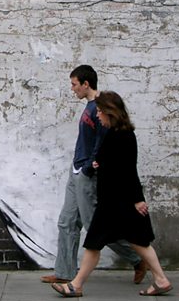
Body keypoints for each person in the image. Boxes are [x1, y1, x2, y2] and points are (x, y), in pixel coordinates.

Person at [51, 91, 173, 297]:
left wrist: (137, 200)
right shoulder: (116, 134)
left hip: (117, 203)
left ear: (111, 112)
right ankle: (160, 280)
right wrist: (100, 163)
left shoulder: (122, 136)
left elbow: (128, 171)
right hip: (114, 202)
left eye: (100, 111)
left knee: (99, 243)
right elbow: (113, 163)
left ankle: (75, 285)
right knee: (134, 243)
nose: (97, 116)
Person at [41, 65, 146, 285]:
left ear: (86, 84)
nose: (72, 89)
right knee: (67, 222)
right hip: (76, 170)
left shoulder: (100, 107)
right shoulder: (90, 106)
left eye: (74, 84)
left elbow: (102, 145)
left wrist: (89, 169)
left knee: (95, 227)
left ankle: (138, 258)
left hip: (87, 175)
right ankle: (64, 272)